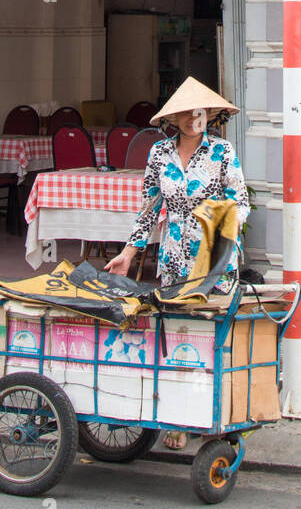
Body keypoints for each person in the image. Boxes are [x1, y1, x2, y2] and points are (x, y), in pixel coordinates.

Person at [104, 77, 250, 449]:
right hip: (172, 261)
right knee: (179, 339)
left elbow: (242, 204)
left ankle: (219, 419)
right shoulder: (159, 155)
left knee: (216, 338)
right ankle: (180, 418)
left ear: (209, 116)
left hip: (215, 260)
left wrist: (217, 228)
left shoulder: (223, 152)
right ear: (173, 119)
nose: (192, 119)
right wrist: (129, 252)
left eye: (198, 112)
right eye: (184, 113)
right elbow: (150, 208)